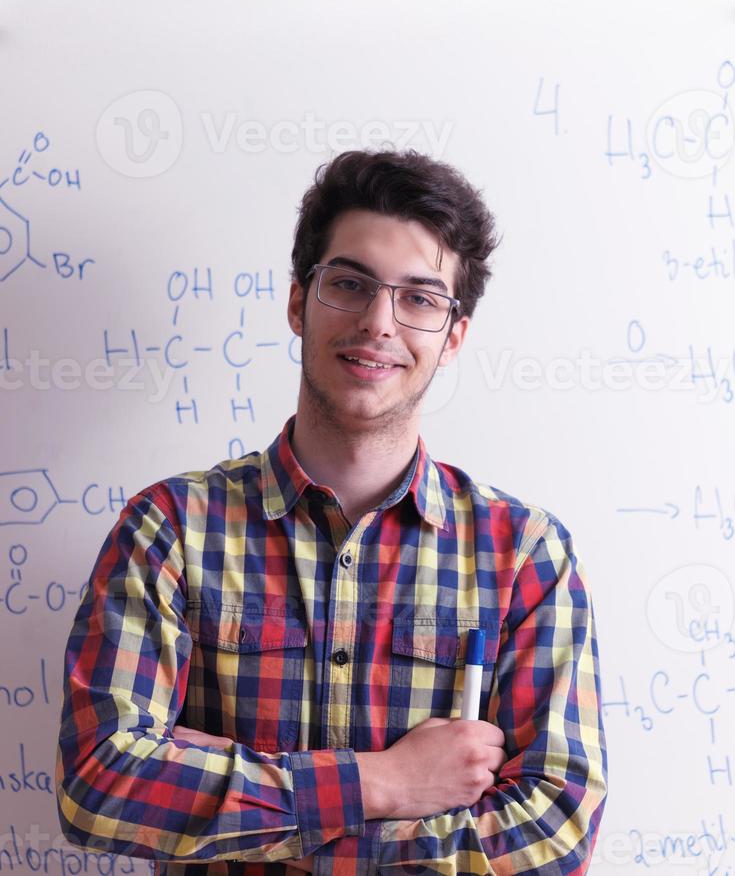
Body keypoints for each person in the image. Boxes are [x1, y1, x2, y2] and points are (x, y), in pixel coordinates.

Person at [56, 149, 607, 876]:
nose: (379, 322)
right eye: (350, 284)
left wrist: (276, 809)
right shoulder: (171, 529)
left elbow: (553, 834)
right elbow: (100, 786)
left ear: (454, 338)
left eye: (419, 298)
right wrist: (386, 784)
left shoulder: (524, 554)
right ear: (298, 302)